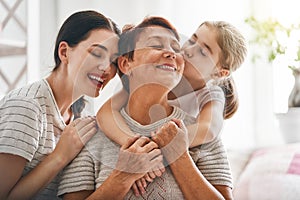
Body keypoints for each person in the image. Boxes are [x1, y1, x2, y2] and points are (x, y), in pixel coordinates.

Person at [58, 16, 234, 200]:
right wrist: (123, 176)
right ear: (126, 64)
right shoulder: (90, 134)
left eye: (175, 48)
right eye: (156, 46)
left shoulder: (199, 134)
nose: (171, 53)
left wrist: (180, 157)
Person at [97, 20, 247, 192]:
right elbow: (106, 113)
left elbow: (209, 129)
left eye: (202, 52)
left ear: (220, 72)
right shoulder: (159, 74)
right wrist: (139, 149)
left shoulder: (211, 94)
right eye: (192, 40)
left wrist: (158, 151)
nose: (188, 51)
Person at [0, 10, 120, 199]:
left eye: (114, 61)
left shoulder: (83, 112)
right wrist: (60, 156)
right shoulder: (26, 107)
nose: (106, 68)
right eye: (97, 53)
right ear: (64, 52)